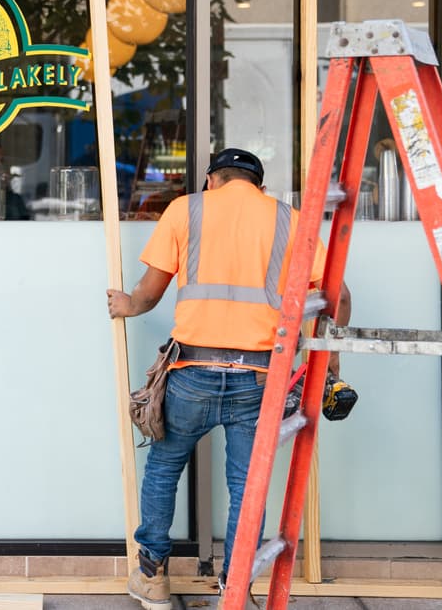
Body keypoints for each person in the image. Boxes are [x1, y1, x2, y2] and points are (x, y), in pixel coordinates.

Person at [105, 147, 351, 609]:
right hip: (259, 376)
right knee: (247, 485)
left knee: (163, 467)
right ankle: (234, 589)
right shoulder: (288, 219)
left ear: (211, 180)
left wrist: (126, 305)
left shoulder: (186, 209)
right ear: (257, 186)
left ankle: (152, 578)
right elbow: (338, 295)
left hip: (191, 373)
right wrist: (331, 356)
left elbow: (149, 292)